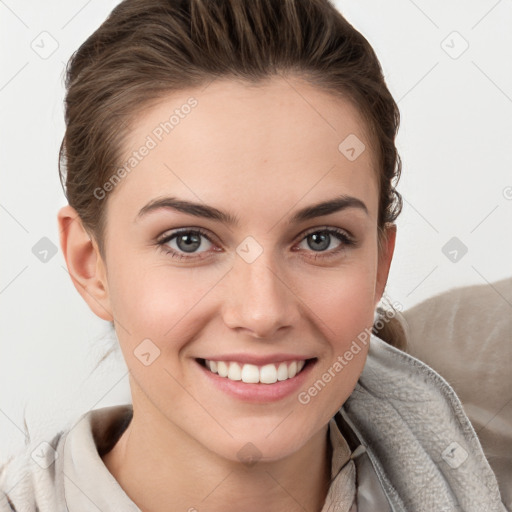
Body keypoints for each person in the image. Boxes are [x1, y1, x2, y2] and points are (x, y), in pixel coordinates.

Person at [0, 0, 506, 510]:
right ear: (90, 264)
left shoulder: (480, 421)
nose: (263, 313)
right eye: (189, 240)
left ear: (380, 261)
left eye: (320, 239)